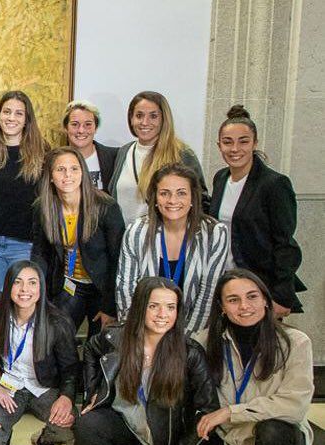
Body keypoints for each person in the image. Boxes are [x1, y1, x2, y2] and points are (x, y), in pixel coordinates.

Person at [68, 277, 218, 445]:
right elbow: (92, 350)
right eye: (154, 306)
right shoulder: (116, 337)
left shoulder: (189, 352)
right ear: (140, 307)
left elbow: (208, 409)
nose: (163, 314)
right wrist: (93, 393)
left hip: (159, 439)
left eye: (171, 307)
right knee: (85, 423)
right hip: (123, 421)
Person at [186, 270, 313, 445]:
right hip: (231, 439)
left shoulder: (296, 343)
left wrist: (230, 412)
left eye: (252, 297)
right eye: (233, 299)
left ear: (266, 301)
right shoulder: (204, 342)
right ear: (222, 307)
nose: (244, 306)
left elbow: (294, 405)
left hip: (277, 437)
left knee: (274, 432)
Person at [0, 261, 79, 445]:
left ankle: (45, 442)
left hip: (43, 387)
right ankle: (4, 432)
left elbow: (71, 368)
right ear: (8, 286)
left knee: (68, 426)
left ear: (41, 288)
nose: (25, 290)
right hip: (7, 384)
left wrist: (66, 397)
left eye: (32, 283)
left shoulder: (58, 322)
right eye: (18, 283)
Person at [210, 105, 304, 316]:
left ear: (255, 143)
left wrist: (281, 296)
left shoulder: (274, 184)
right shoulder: (220, 178)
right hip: (227, 284)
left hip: (261, 288)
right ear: (219, 145)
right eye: (228, 142)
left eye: (243, 141)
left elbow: (286, 245)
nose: (235, 149)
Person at [117, 164, 228, 335]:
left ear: (193, 198)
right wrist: (139, 333)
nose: (172, 200)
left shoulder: (215, 233)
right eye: (164, 193)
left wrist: (186, 341)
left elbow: (209, 295)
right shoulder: (137, 231)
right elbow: (126, 288)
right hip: (143, 330)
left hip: (194, 332)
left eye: (181, 193)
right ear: (155, 198)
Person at [31, 147, 125, 338]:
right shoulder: (43, 207)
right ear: (50, 176)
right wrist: (40, 295)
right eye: (60, 169)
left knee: (99, 344)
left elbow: (118, 260)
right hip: (69, 284)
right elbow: (40, 253)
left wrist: (110, 307)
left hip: (101, 289)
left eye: (74, 169)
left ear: (83, 172)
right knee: (55, 337)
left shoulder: (106, 207)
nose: (68, 175)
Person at [0, 90, 49, 293]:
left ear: (27, 119)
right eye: (6, 112)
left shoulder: (42, 152)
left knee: (20, 304)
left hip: (24, 244)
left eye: (18, 113)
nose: (11, 118)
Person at [108, 91, 209, 224]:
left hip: (161, 240)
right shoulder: (124, 152)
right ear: (131, 119)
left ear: (163, 119)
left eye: (153, 116)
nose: (145, 122)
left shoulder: (182, 154)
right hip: (125, 240)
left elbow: (200, 200)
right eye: (139, 115)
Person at [63, 100, 118, 191]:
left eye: (88, 124)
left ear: (95, 128)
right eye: (75, 124)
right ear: (65, 128)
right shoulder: (53, 160)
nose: (81, 130)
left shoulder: (114, 157)